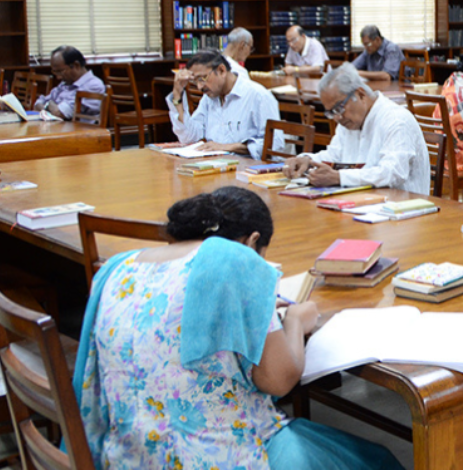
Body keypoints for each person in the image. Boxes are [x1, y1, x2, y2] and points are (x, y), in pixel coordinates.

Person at [74, 187, 404, 470]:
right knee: (377, 460)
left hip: (127, 454)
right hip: (210, 457)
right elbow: (279, 380)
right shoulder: (234, 259)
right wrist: (293, 321)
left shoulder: (120, 265)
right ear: (252, 242)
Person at [283, 63, 432, 194]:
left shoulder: (396, 119)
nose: (337, 118)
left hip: (402, 212)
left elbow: (393, 173)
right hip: (363, 203)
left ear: (360, 95)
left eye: (339, 108)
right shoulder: (349, 120)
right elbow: (335, 155)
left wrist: (338, 177)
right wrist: (308, 160)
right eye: (331, 112)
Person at [169, 51, 281, 160]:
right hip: (216, 167)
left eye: (202, 79)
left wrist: (228, 147)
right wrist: (177, 95)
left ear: (222, 70)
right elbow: (189, 137)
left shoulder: (258, 96)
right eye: (195, 81)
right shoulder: (210, 98)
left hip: (247, 169)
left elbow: (275, 145)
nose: (199, 87)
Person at [34, 45, 105, 120]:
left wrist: (48, 105)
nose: (58, 77)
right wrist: (49, 106)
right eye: (55, 72)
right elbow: (38, 103)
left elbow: (59, 113)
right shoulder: (66, 82)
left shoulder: (93, 86)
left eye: (60, 71)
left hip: (80, 130)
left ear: (76, 65)